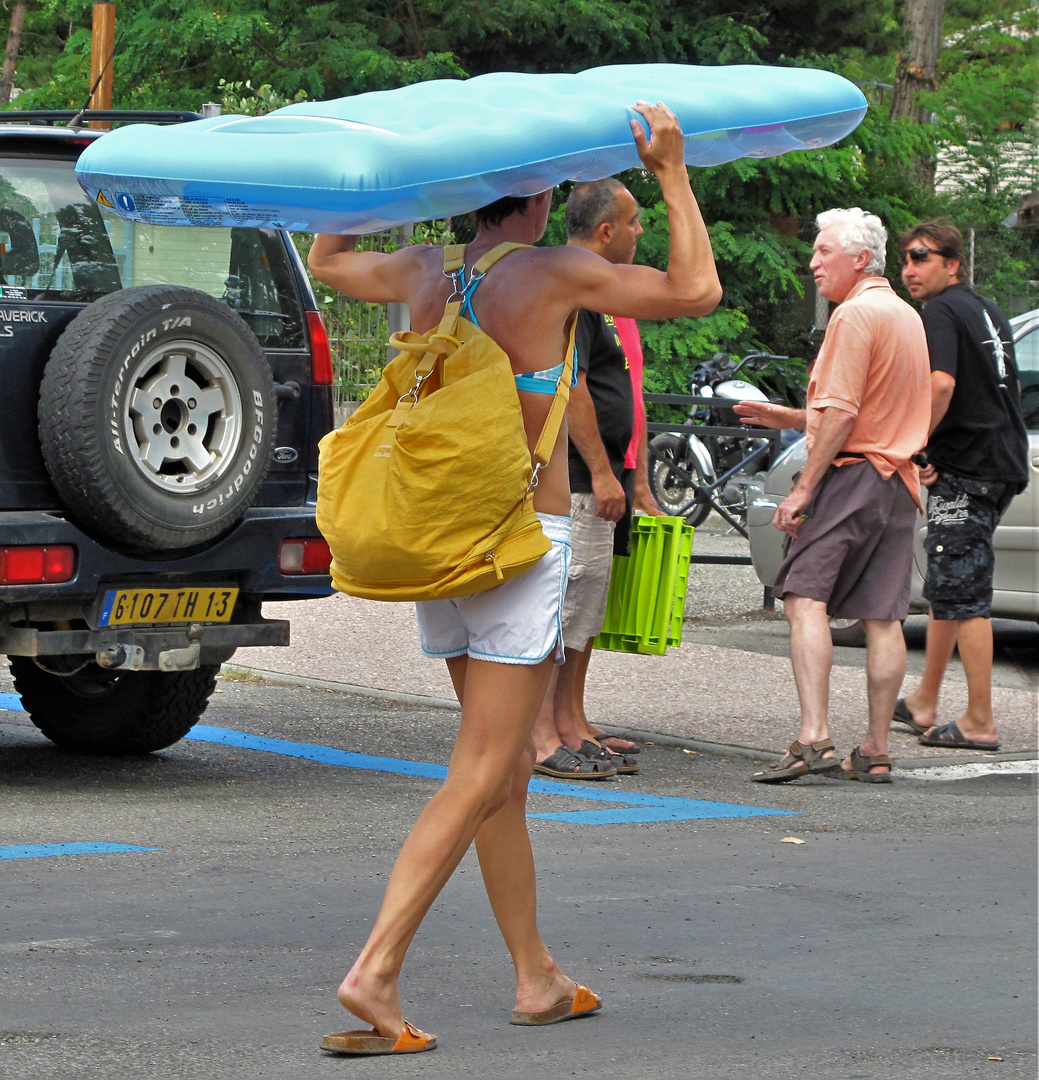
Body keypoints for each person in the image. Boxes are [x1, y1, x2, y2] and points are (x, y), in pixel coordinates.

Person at [307, 101, 720, 1054]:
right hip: (519, 542)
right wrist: (669, 171)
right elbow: (694, 290)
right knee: (487, 766)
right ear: (533, 193)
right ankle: (374, 970)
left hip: (437, 545)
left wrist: (389, 181)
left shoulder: (425, 269)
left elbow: (329, 259)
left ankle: (537, 977)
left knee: (500, 778)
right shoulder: (554, 271)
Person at [734, 207, 930, 784]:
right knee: (882, 615)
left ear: (860, 259)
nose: (813, 261)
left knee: (801, 598)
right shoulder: (905, 316)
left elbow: (843, 414)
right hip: (899, 480)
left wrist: (804, 490)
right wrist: (791, 415)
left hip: (850, 476)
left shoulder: (852, 316)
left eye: (824, 252)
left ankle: (813, 737)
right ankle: (874, 749)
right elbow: (873, 410)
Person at [532, 177, 661, 781]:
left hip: (603, 477)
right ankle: (540, 733)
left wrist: (630, 473)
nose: (641, 232)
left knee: (584, 611)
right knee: (560, 606)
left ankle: (571, 722)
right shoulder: (574, 290)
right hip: (580, 478)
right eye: (634, 222)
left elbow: (623, 383)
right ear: (605, 231)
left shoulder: (604, 296)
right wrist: (605, 472)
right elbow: (572, 383)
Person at [892, 222, 1029, 751]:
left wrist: (914, 443)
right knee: (949, 583)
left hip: (969, 469)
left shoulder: (941, 311)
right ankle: (926, 698)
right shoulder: (986, 308)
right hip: (1002, 459)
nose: (909, 269)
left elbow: (942, 383)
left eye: (921, 257)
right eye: (905, 258)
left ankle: (979, 721)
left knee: (967, 595)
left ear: (952, 264)